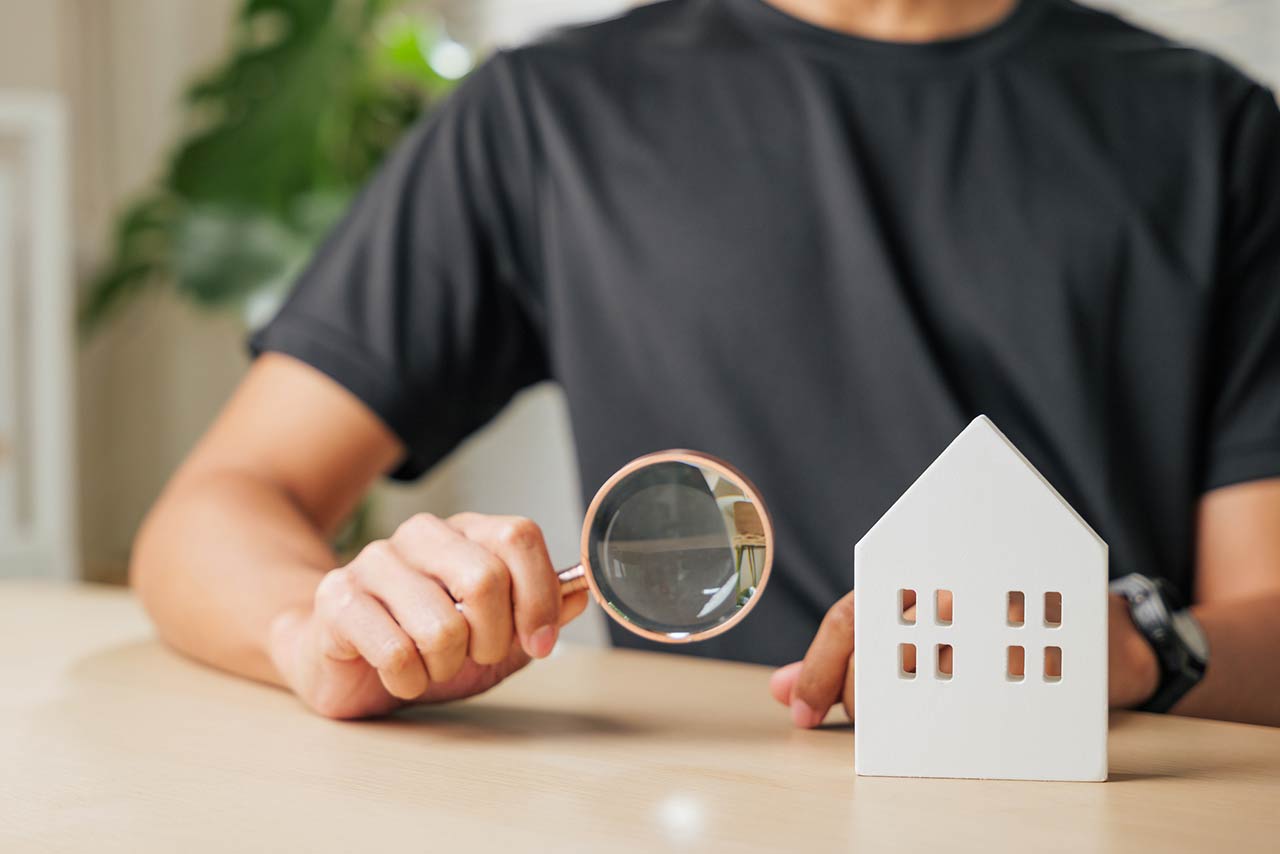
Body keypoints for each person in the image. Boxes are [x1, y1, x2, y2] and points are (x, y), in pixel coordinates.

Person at [132, 0, 1280, 726]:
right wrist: (320, 630)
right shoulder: (545, 115)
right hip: (698, 804)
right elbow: (219, 503)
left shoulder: (1213, 132)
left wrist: (1133, 647)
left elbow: (1266, 618)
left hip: (1085, 806)